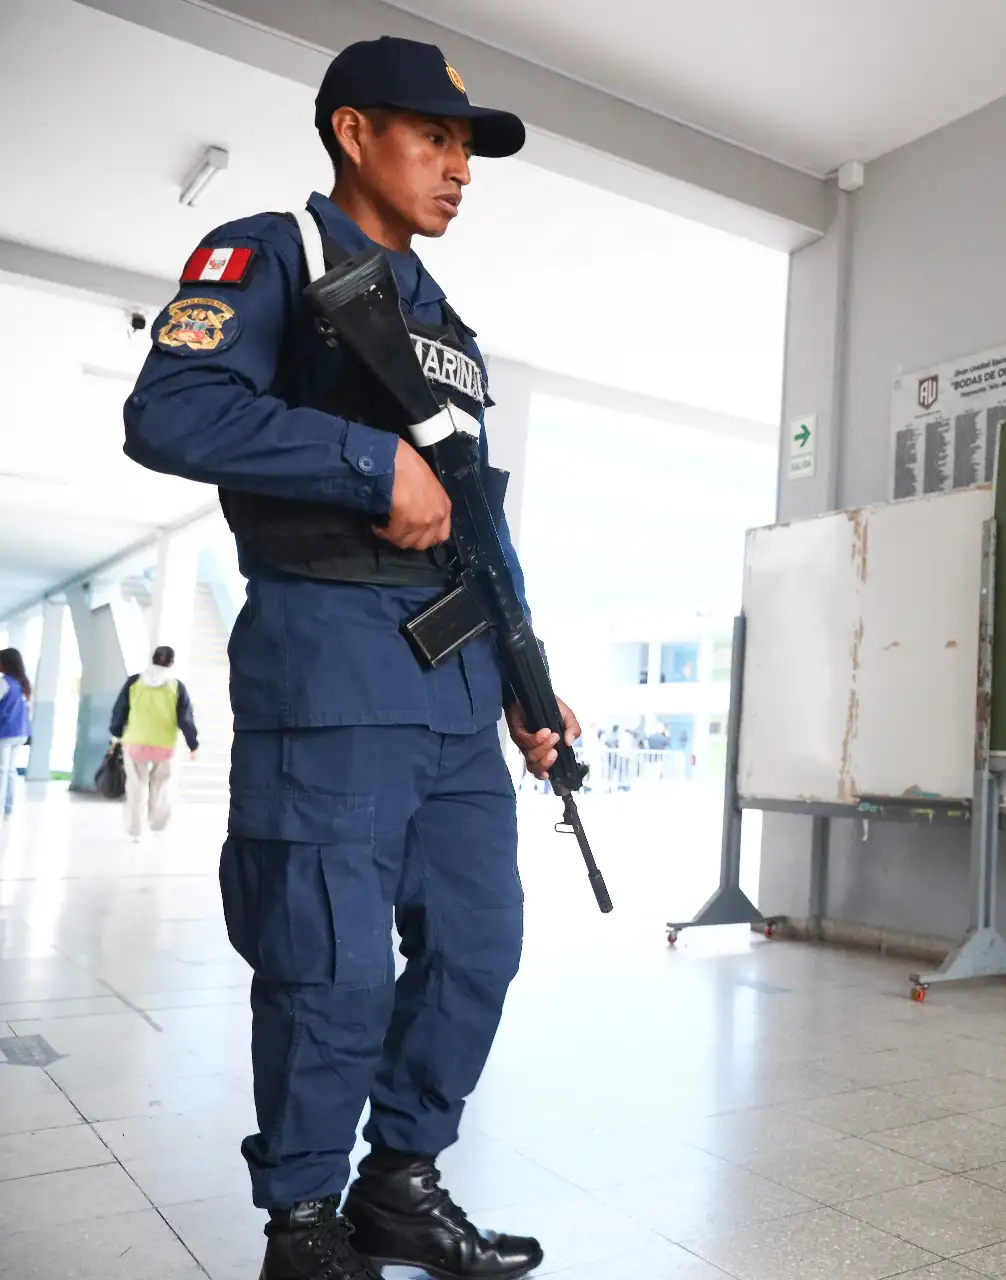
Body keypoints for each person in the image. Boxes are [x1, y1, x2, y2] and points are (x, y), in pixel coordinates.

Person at [124, 36, 577, 1280]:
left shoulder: (449, 326)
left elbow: (478, 522)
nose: (458, 168)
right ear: (353, 132)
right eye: (433, 137)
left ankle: (401, 1186)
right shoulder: (272, 254)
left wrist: (531, 692)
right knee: (327, 964)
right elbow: (171, 411)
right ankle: (307, 1227)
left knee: (478, 944)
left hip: (458, 683)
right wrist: (367, 465)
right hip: (330, 667)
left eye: (466, 147)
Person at [107, 645, 200, 839]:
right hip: (163, 744)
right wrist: (193, 744)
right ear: (171, 663)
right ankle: (158, 826)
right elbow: (186, 718)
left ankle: (136, 830)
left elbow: (119, 711)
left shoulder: (134, 682)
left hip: (135, 742)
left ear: (152, 659)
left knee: (136, 785)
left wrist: (116, 734)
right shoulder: (176, 686)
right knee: (160, 784)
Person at [0, 647, 29, 820]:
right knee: (9, 771)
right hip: (20, 733)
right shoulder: (22, 684)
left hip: (4, 733)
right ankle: (7, 809)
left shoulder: (4, 682)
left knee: (2, 772)